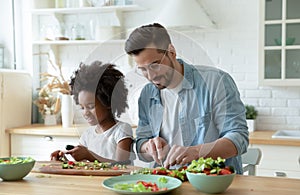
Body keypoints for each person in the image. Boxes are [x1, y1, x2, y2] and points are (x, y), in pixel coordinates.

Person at [124, 23, 249, 174]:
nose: (151, 76)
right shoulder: (147, 94)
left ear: (171, 52)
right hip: (168, 182)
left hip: (214, 183)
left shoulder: (216, 81)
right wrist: (149, 147)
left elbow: (238, 138)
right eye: (143, 69)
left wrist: (197, 152)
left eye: (155, 65)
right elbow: (141, 143)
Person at [51, 61, 134, 163]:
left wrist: (90, 156)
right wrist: (64, 161)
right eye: (82, 107)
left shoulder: (121, 130)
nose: (85, 113)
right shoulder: (87, 135)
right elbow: (83, 166)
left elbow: (122, 166)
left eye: (91, 107)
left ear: (108, 103)